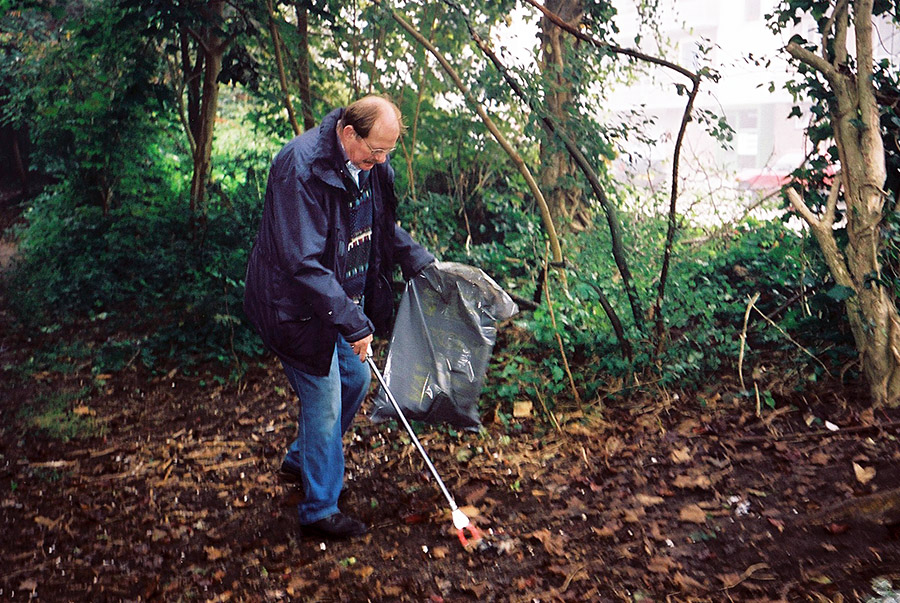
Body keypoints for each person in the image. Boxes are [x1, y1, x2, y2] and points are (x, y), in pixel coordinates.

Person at [243, 95, 434, 539]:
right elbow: (303, 262)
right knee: (325, 400)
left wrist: (419, 261)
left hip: (336, 303)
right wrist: (353, 323)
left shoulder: (370, 165)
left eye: (388, 152)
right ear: (349, 133)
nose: (381, 161)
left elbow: (381, 226)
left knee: (356, 381)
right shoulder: (299, 168)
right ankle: (319, 510)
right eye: (376, 151)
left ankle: (300, 460)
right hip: (292, 309)